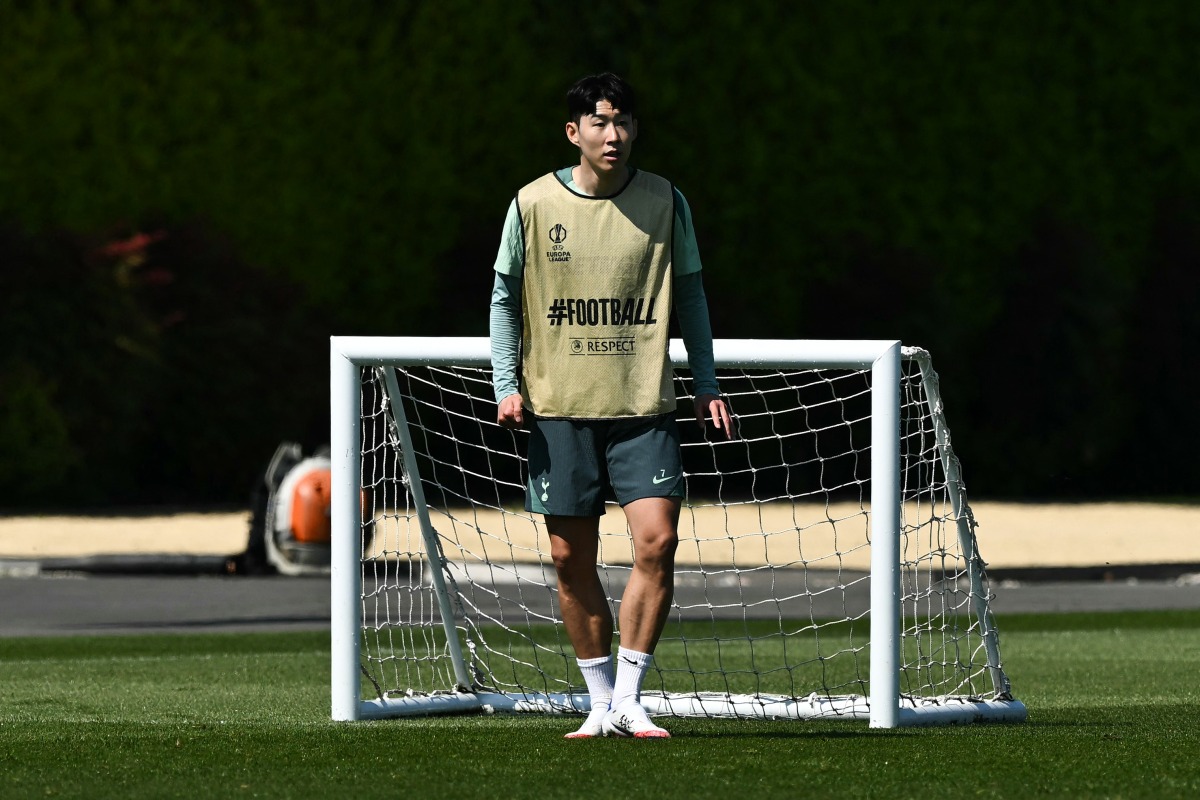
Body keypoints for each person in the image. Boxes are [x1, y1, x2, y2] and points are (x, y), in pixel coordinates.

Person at [489, 72, 732, 739]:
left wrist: (706, 382)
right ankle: (598, 700)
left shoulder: (665, 201)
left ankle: (630, 697)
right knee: (572, 558)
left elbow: (691, 297)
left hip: (641, 407)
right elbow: (505, 299)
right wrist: (505, 383)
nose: (613, 134)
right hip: (559, 408)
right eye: (598, 122)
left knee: (659, 540)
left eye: (623, 121)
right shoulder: (532, 204)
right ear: (574, 132)